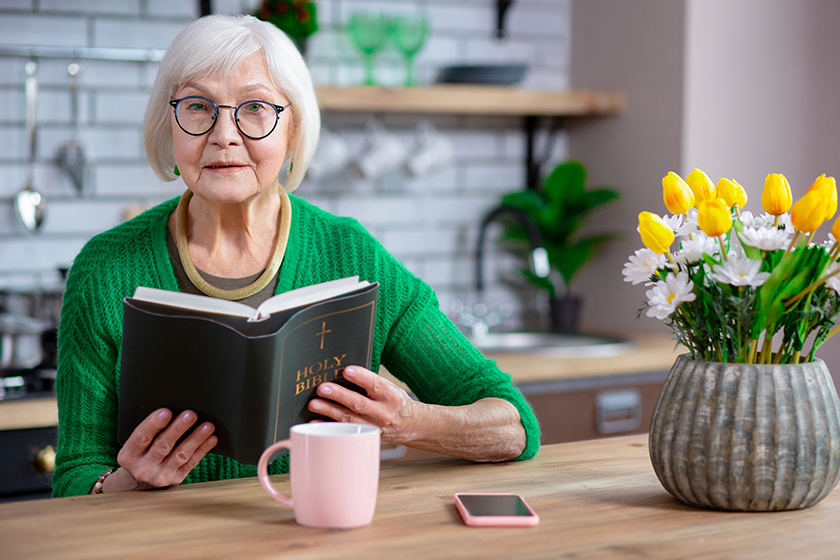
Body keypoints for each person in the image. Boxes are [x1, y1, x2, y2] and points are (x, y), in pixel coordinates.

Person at [52, 14, 540, 497]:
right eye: (198, 106)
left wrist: (409, 422)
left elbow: (513, 425)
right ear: (169, 123)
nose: (224, 135)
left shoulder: (350, 252)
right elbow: (74, 478)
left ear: (294, 128)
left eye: (256, 108)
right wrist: (127, 481)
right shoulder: (106, 268)